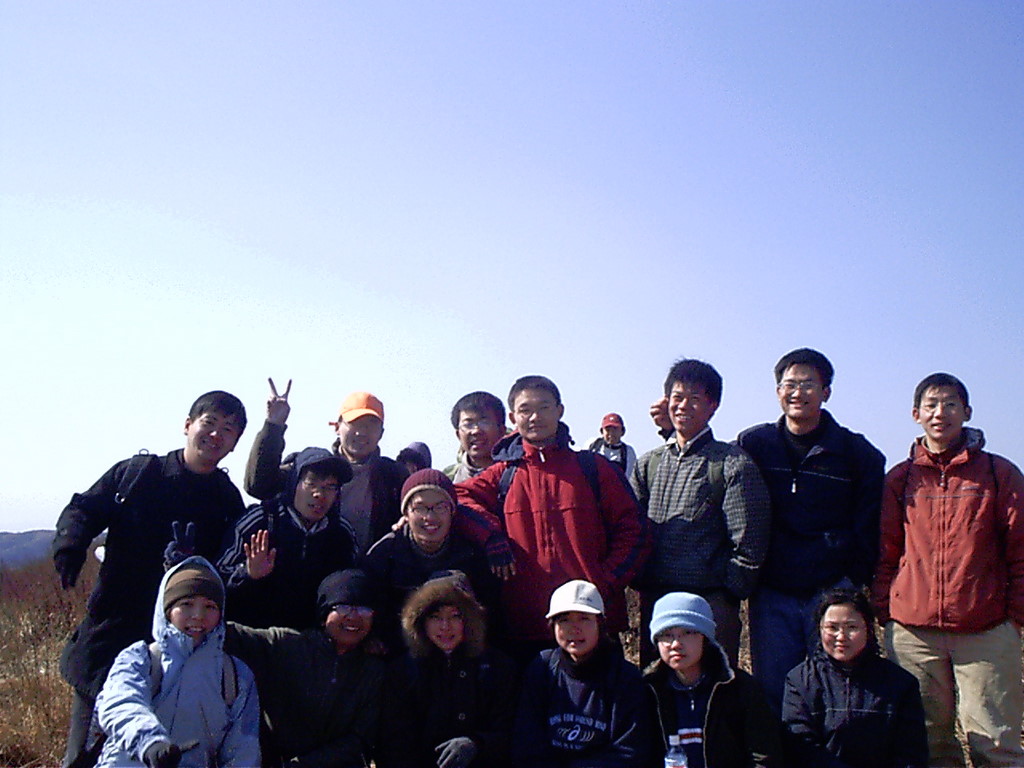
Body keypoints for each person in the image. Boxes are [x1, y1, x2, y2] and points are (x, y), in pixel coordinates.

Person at [53, 390, 248, 768]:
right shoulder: (139, 474)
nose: (216, 435)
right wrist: (70, 546)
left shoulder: (227, 500)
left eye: (228, 429)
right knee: (84, 755)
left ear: (235, 443)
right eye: (209, 423)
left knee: (157, 752)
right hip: (112, 633)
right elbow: (84, 509)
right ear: (187, 425)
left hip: (176, 649)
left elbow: (227, 568)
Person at [871, 373, 1024, 767]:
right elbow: (886, 551)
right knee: (928, 744)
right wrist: (886, 612)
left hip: (986, 628)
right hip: (913, 632)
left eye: (951, 404)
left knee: (995, 742)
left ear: (967, 412)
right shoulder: (900, 479)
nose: (941, 413)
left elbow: (1020, 549)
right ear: (916, 414)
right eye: (932, 405)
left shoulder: (998, 474)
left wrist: (1014, 618)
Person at [455, 375, 650, 662]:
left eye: (544, 407)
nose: (535, 417)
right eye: (525, 410)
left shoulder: (594, 468)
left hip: (592, 624)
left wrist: (605, 582)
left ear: (560, 411)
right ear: (513, 418)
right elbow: (456, 498)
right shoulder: (504, 474)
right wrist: (492, 536)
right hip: (525, 630)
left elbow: (635, 531)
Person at [734, 349, 885, 709]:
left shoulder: (857, 453)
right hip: (772, 593)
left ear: (826, 392)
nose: (798, 393)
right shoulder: (755, 445)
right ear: (778, 391)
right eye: (790, 384)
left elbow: (869, 524)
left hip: (831, 591)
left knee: (835, 690)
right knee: (775, 692)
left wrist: (853, 578)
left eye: (808, 384)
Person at [632, 359, 770, 667]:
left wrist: (726, 593)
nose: (683, 406)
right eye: (677, 397)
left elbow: (749, 543)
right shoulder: (649, 463)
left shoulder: (732, 463)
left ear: (713, 406)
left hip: (709, 606)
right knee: (654, 686)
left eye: (695, 398)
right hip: (657, 603)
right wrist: (640, 580)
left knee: (712, 687)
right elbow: (631, 530)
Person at [93, 556, 261, 768]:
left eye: (210, 606)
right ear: (167, 609)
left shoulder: (235, 675)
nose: (198, 615)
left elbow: (244, 750)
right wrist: (150, 743)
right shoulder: (141, 658)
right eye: (186, 604)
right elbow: (119, 702)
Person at [225, 568, 386, 768]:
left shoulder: (373, 670)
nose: (353, 617)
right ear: (324, 614)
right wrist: (245, 579)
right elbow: (224, 631)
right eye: (343, 607)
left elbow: (360, 739)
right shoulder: (285, 645)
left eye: (364, 609)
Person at [244, 379, 407, 555]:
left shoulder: (395, 477)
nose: (361, 432)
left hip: (372, 568)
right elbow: (258, 487)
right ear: (337, 427)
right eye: (354, 423)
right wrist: (274, 426)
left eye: (371, 425)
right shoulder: (310, 467)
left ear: (381, 433)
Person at [377, 571, 517, 768]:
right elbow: (394, 740)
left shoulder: (499, 667)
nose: (445, 627)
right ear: (421, 621)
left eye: (455, 616)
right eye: (435, 617)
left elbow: (511, 730)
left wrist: (478, 743)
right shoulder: (402, 670)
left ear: (469, 620)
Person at [783, 587, 927, 768]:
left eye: (851, 627)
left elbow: (911, 753)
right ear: (819, 629)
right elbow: (801, 747)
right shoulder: (800, 681)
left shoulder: (900, 683)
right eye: (832, 628)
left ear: (868, 629)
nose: (841, 637)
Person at [216, 447, 357, 629]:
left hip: (311, 639)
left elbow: (352, 588)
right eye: (311, 483)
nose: (319, 494)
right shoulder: (260, 520)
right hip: (250, 635)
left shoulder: (341, 532)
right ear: (294, 483)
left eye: (330, 487)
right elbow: (215, 580)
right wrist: (247, 574)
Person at [513, 580, 650, 766]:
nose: (574, 629)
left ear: (600, 624)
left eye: (584, 618)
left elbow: (630, 751)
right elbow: (527, 742)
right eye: (564, 620)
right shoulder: (542, 668)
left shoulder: (624, 677)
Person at [362, 469, 501, 653]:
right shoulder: (383, 554)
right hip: (399, 653)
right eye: (420, 508)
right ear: (406, 514)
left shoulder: (472, 555)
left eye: (440, 507)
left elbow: (490, 613)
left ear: (452, 512)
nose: (430, 517)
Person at [645, 592, 781, 768]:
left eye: (687, 632)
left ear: (705, 638)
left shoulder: (739, 687)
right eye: (666, 635)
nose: (675, 644)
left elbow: (764, 755)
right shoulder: (647, 691)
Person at [442, 391, 506, 482]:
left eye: (484, 422)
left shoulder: (517, 473)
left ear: (502, 430)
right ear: (458, 435)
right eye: (468, 424)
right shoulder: (449, 478)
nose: (476, 431)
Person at [587, 413, 637, 477]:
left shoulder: (628, 452)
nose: (611, 433)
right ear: (602, 431)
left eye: (615, 429)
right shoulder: (593, 445)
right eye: (607, 430)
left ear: (622, 431)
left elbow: (629, 478)